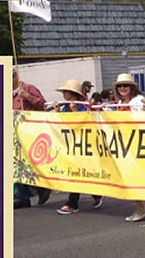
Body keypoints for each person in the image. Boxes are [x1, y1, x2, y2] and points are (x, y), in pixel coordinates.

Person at [51, 81, 104, 215]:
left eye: (66, 92)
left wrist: (75, 111)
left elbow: (85, 123)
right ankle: (96, 194)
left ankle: (72, 203)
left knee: (77, 172)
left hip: (84, 144)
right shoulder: (66, 107)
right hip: (72, 144)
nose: (64, 94)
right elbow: (64, 124)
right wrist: (58, 112)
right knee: (79, 172)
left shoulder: (82, 106)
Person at [109, 73, 145, 222]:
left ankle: (141, 207)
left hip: (137, 144)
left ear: (132, 87)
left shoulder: (138, 101)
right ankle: (140, 207)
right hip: (124, 144)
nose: (122, 88)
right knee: (127, 179)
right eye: (119, 86)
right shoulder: (119, 103)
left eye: (125, 85)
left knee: (131, 178)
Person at [12, 68, 49, 208]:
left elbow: (42, 106)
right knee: (16, 164)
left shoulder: (28, 88)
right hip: (15, 133)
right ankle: (22, 196)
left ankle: (41, 188)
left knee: (33, 163)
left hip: (31, 132)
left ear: (15, 77)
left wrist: (27, 96)